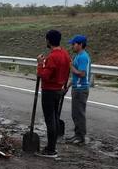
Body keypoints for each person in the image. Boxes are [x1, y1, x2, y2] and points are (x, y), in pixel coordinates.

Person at [36, 29, 71, 158]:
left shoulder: (53, 56)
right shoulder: (65, 54)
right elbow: (68, 71)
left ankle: (51, 149)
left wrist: (40, 64)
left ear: (49, 40)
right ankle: (52, 146)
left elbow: (44, 76)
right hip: (59, 89)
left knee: (50, 119)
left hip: (49, 90)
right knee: (55, 117)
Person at [66, 35, 91, 145]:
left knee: (79, 114)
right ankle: (77, 135)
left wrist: (70, 66)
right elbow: (75, 75)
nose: (72, 46)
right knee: (75, 114)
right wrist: (68, 86)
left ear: (80, 45)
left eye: (74, 44)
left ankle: (81, 137)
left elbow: (82, 73)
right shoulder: (77, 56)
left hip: (81, 89)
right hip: (77, 88)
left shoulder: (83, 57)